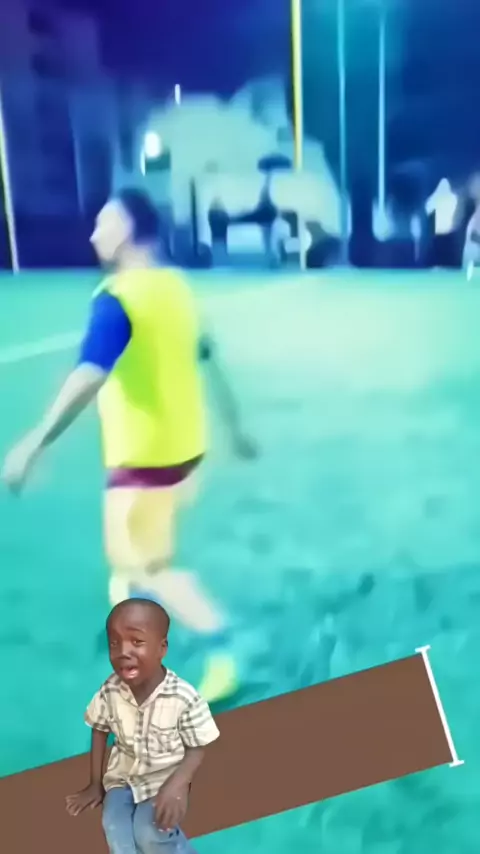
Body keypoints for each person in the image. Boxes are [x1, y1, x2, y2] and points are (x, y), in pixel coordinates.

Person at [2, 187, 257, 703]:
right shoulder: (176, 289)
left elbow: (89, 376)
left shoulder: (118, 297)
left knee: (146, 565)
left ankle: (224, 646)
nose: (95, 234)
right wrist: (235, 429)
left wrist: (34, 443)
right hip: (185, 450)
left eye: (104, 223)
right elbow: (210, 359)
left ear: (128, 231)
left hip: (143, 458)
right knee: (128, 559)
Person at [66, 598, 219, 854]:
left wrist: (178, 785)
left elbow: (198, 746)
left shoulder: (182, 697)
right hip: (123, 779)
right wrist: (95, 784)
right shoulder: (111, 690)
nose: (123, 651)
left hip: (162, 779)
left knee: (149, 831)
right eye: (114, 643)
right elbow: (99, 729)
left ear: (162, 648)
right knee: (115, 828)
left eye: (137, 642)